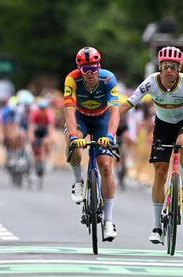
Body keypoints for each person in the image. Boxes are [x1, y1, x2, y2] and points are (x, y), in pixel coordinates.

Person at [120, 46, 183, 244]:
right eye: (165, 66)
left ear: (179, 68)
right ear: (160, 67)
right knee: (160, 172)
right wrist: (109, 121)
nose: (169, 70)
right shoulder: (150, 82)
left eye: (173, 67)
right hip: (162, 125)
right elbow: (127, 104)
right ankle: (156, 226)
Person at [63, 47, 120, 240]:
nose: (89, 73)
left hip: (102, 120)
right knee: (75, 147)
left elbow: (115, 111)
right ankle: (78, 181)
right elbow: (69, 110)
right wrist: (73, 136)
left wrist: (111, 135)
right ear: (79, 69)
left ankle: (109, 221)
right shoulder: (72, 79)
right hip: (81, 119)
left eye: (93, 68)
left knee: (105, 166)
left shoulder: (108, 79)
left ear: (99, 66)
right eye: (85, 69)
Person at [27, 98, 55, 177]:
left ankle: (46, 158)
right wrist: (31, 137)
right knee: (35, 145)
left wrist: (50, 138)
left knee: (47, 143)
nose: (42, 111)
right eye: (40, 109)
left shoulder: (49, 114)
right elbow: (31, 127)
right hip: (37, 130)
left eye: (44, 109)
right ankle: (36, 161)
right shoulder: (34, 113)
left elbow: (50, 128)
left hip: (45, 130)